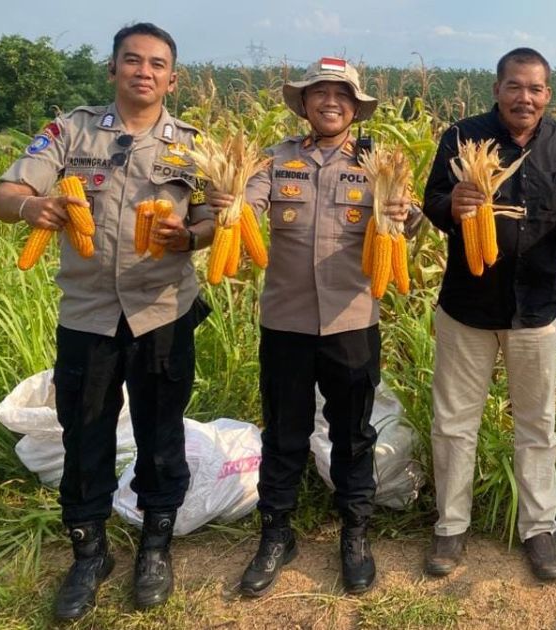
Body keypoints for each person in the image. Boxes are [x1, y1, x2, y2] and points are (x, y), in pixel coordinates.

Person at [0, 22, 213, 620]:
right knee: (84, 433)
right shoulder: (70, 131)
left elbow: (220, 215)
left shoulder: (193, 144)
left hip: (162, 311)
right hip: (87, 314)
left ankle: (155, 545)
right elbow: (4, 192)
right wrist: (31, 204)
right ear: (113, 70)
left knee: (161, 432)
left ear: (172, 77)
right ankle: (89, 552)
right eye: (132, 61)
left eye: (157, 63)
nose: (144, 71)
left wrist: (189, 236)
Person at [208, 57, 418, 597]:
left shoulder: (378, 162)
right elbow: (247, 206)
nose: (331, 102)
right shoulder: (275, 161)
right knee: (284, 432)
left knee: (354, 433)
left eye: (342, 95)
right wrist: (228, 205)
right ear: (303, 103)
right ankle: (276, 532)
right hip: (287, 321)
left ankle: (355, 531)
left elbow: (408, 221)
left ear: (355, 107)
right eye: (319, 93)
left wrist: (404, 212)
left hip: (352, 320)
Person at [421, 47, 556, 581]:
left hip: (536, 307)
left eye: (535, 89)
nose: (524, 98)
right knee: (454, 423)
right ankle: (450, 527)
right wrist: (453, 207)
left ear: (547, 95)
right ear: (497, 89)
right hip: (467, 307)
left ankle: (539, 529)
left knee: (536, 426)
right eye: (515, 86)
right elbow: (432, 200)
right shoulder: (463, 137)